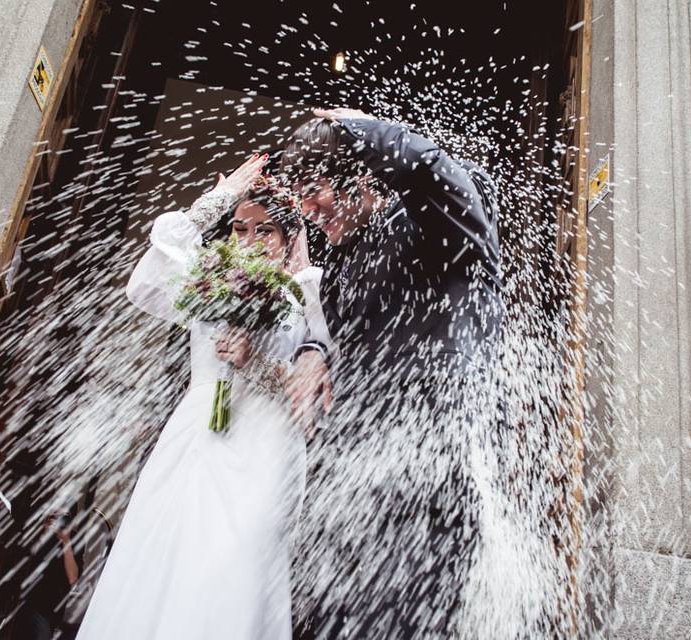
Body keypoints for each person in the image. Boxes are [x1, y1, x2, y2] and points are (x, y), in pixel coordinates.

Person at [76, 153, 334, 640]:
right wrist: (218, 200)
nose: (251, 241)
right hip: (197, 433)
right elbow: (145, 285)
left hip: (266, 444)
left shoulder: (308, 292)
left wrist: (255, 360)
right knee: (167, 554)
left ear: (288, 236)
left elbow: (318, 384)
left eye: (266, 231)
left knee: (235, 563)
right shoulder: (209, 279)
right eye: (241, 229)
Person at [281, 108, 503, 638]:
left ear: (360, 173)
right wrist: (314, 350)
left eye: (315, 189)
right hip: (354, 497)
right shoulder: (348, 256)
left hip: (428, 492)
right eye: (300, 197)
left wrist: (351, 129)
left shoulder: (438, 222)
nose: (310, 210)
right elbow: (326, 333)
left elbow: (428, 167)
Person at [14, 508, 84, 639]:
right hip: (26, 599)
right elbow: (26, 558)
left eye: (64, 516)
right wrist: (44, 532)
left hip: (49, 608)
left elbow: (73, 578)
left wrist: (66, 542)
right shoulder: (38, 532)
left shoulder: (76, 540)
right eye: (56, 516)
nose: (59, 520)